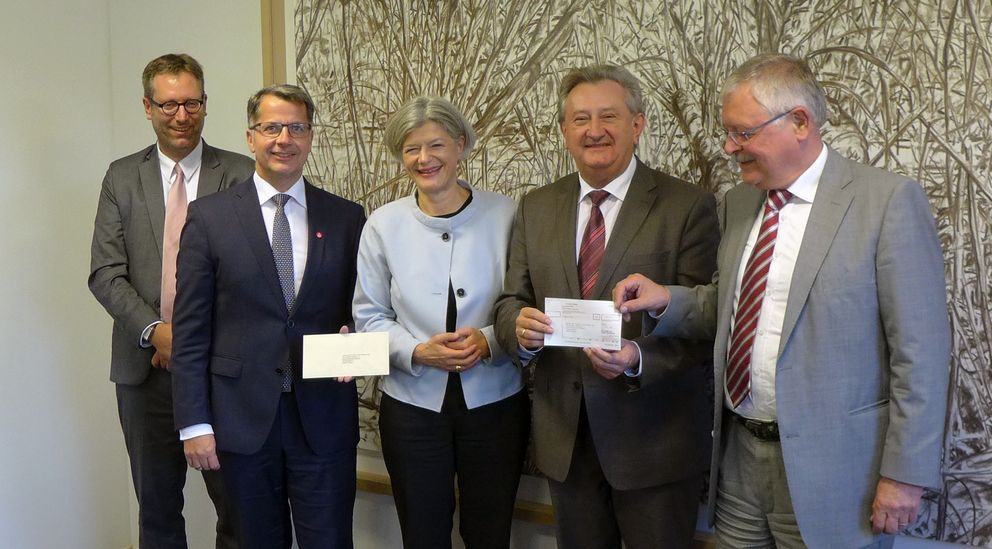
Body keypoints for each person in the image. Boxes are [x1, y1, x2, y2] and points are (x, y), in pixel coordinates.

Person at [612, 53, 950, 549]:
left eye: (742, 133)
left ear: (799, 122)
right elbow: (733, 311)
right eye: (728, 133)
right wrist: (668, 302)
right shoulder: (739, 203)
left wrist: (905, 475)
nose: (730, 148)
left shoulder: (886, 203)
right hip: (739, 461)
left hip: (837, 477)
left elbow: (921, 355)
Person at [492, 64, 720, 548]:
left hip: (653, 445)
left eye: (609, 117)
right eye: (580, 119)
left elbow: (709, 321)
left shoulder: (687, 206)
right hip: (565, 442)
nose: (594, 131)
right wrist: (520, 329)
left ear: (637, 125)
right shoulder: (536, 205)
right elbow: (512, 300)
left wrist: (639, 359)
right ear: (563, 131)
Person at [170, 84, 365, 549]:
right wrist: (194, 424)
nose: (284, 138)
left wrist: (357, 337)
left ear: (311, 136)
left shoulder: (347, 217)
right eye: (271, 127)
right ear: (250, 137)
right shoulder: (209, 217)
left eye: (296, 127)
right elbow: (192, 331)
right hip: (241, 421)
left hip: (323, 418)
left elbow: (365, 307)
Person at [89, 53, 253, 549]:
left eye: (192, 103)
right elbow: (105, 272)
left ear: (205, 104)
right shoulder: (121, 177)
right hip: (145, 373)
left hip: (222, 372)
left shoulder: (243, 173)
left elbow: (252, 276)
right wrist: (158, 332)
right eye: (169, 105)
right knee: (158, 513)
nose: (182, 116)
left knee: (239, 510)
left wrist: (193, 343)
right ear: (148, 106)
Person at [352, 96, 529, 549]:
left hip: (495, 406)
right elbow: (369, 316)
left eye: (436, 145)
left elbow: (526, 302)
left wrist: (489, 341)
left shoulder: (507, 214)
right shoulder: (383, 225)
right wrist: (417, 351)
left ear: (461, 145)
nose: (424, 159)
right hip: (411, 411)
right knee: (423, 534)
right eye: (411, 149)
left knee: (489, 533)